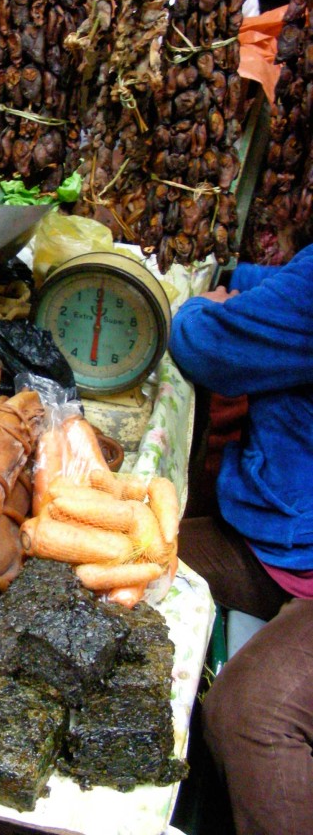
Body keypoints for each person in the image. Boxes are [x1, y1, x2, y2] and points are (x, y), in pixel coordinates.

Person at [168, 242, 313, 835]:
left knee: (250, 715)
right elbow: (291, 283)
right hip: (283, 547)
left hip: (299, 554)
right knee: (144, 558)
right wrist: (246, 282)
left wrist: (202, 306)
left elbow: (207, 347)